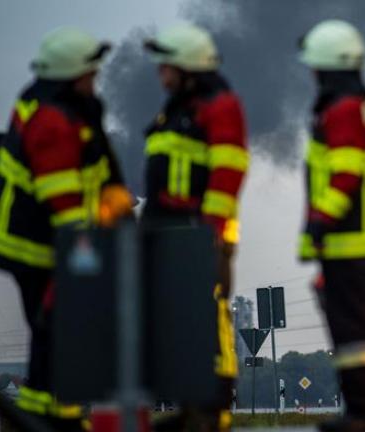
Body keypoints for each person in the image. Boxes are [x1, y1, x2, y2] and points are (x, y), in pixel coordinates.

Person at [0, 27, 131, 431]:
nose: (95, 78)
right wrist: (83, 262)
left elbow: (99, 166)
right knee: (55, 330)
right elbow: (65, 207)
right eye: (90, 72)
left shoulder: (72, 106)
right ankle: (47, 420)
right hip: (36, 246)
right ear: (70, 74)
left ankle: (55, 418)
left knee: (59, 334)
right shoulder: (51, 122)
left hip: (58, 239)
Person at [142, 22, 249, 432]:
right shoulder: (174, 110)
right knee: (175, 323)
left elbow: (229, 170)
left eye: (166, 65)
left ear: (187, 66)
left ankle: (213, 405)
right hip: (167, 234)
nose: (160, 72)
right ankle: (190, 405)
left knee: (209, 316)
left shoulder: (218, 106)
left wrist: (211, 232)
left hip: (200, 233)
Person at [297, 19, 365, 432]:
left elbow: (345, 173)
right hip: (347, 242)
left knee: (352, 331)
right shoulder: (351, 106)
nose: (312, 74)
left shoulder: (345, 109)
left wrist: (320, 221)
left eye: (315, 66)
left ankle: (364, 415)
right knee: (351, 332)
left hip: (346, 240)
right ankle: (361, 412)